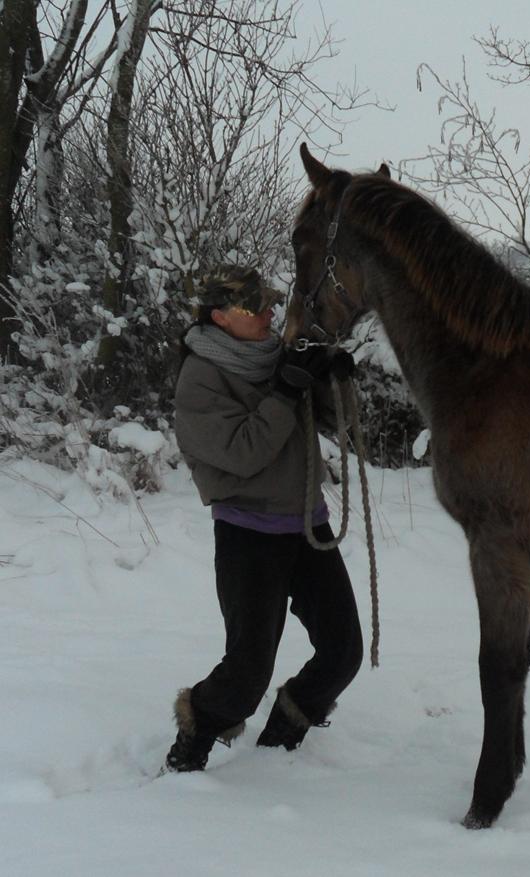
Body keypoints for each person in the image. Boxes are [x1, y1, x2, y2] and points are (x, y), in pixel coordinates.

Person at [164, 265, 363, 773]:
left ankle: (281, 745)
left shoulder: (278, 357)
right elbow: (243, 451)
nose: (270, 313)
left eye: (270, 304)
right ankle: (194, 739)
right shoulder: (199, 378)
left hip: (307, 525)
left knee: (343, 653)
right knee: (248, 670)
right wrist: (285, 390)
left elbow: (340, 424)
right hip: (248, 535)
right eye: (255, 307)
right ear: (219, 318)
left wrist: (334, 379)